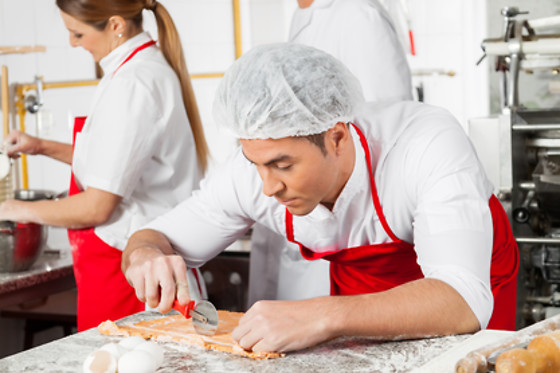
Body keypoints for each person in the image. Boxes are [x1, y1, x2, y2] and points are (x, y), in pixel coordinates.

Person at [122, 43, 519, 353]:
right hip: (362, 315)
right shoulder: (253, 171)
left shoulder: (425, 144)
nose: (267, 187)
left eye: (283, 165)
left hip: (474, 303)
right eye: (255, 163)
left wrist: (321, 314)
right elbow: (154, 237)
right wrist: (145, 254)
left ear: (337, 138)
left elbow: (462, 299)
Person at [0, 0, 209, 331]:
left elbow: (97, 207)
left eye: (77, 33)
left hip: (132, 273)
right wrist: (40, 147)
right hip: (129, 267)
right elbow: (115, 163)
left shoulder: (133, 83)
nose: (72, 42)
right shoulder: (136, 70)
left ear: (115, 25)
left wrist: (13, 209)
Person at [249, 0, 414, 305]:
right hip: (299, 235)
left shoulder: (358, 15)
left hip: (344, 255)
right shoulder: (303, 15)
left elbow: (389, 140)